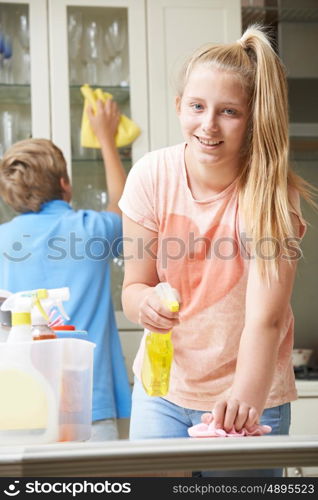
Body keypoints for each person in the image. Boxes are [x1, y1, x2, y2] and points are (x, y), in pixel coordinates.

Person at [118, 25, 316, 476]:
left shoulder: (271, 192)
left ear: (253, 118)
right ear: (179, 106)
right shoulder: (151, 176)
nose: (208, 125)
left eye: (229, 111)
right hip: (163, 394)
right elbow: (133, 287)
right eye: (196, 106)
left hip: (249, 398)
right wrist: (144, 303)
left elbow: (265, 318)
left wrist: (244, 399)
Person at [0, 98, 131, 441]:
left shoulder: (2, 239)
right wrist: (106, 137)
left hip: (20, 405)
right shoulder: (91, 229)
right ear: (64, 184)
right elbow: (124, 205)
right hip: (88, 406)